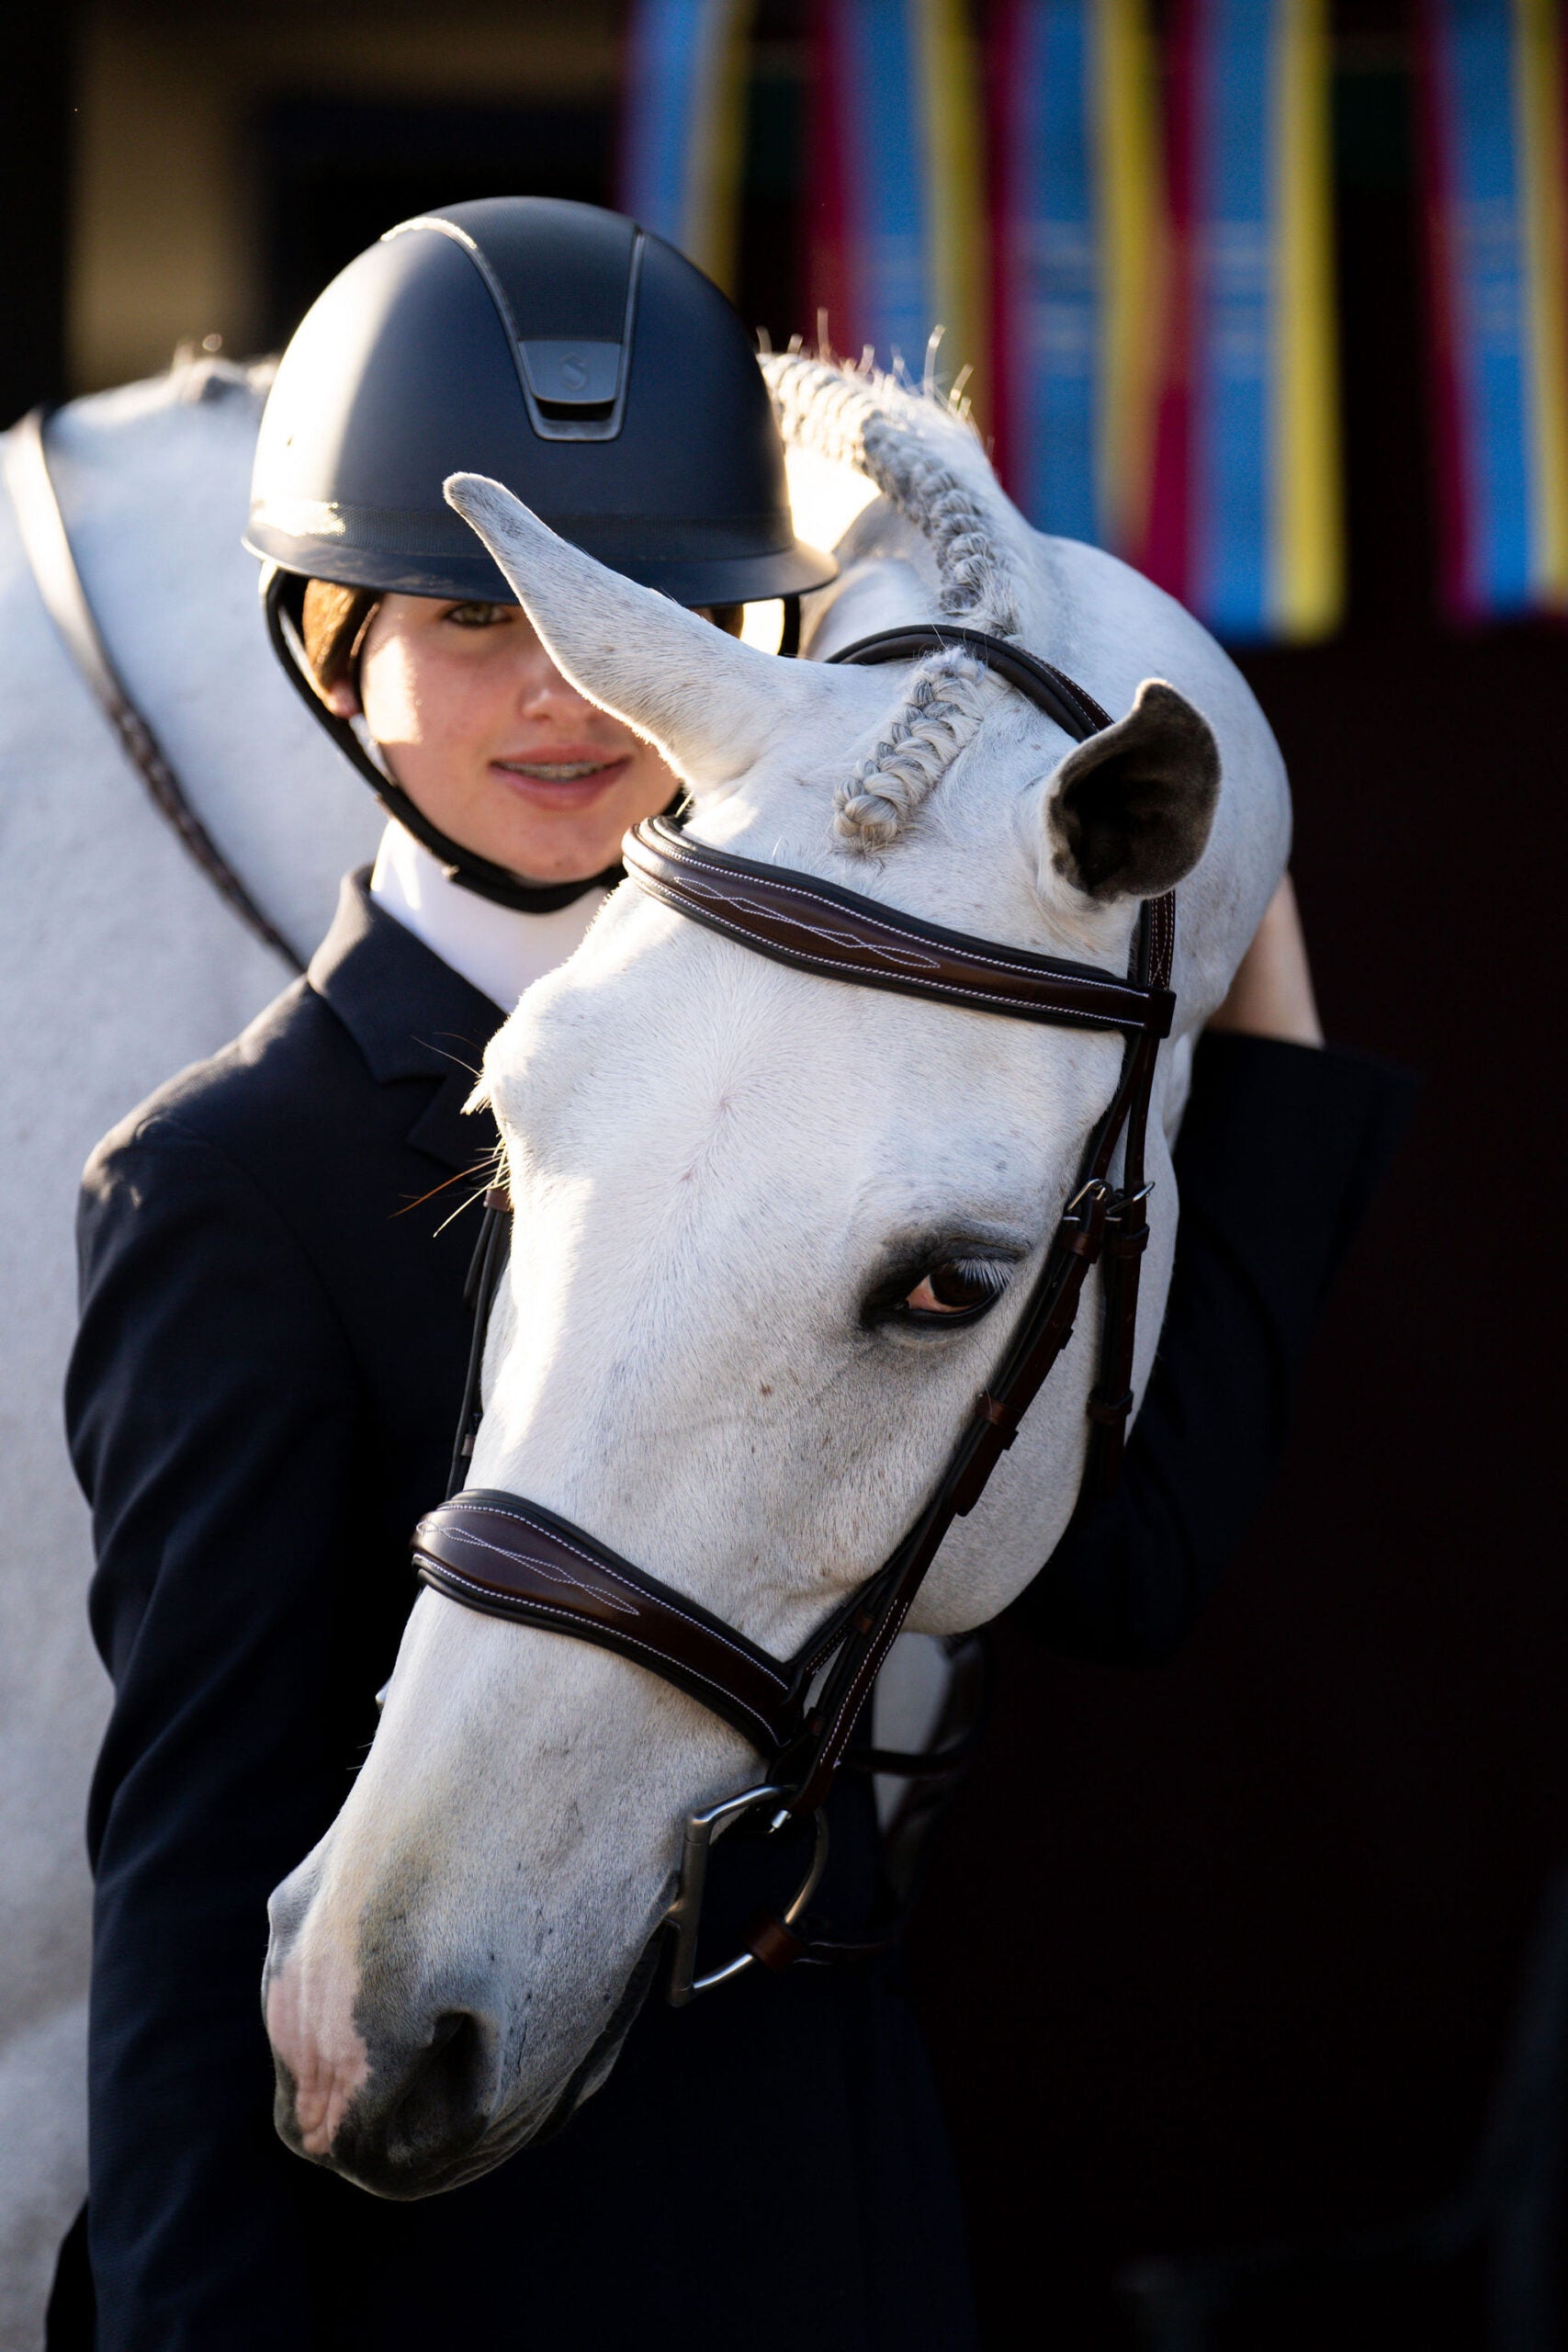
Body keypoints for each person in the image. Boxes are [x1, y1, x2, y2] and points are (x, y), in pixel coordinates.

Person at [51, 198, 1412, 2352]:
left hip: (820, 2198)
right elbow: (186, 1892)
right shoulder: (230, 1180)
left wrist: (1223, 923)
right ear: (329, 650)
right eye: (460, 616)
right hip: (446, 2261)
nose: (562, 691)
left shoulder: (836, 1088)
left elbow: (1124, 1567)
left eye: (649, 608)